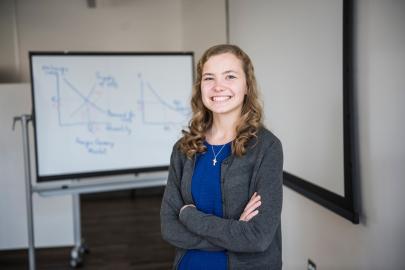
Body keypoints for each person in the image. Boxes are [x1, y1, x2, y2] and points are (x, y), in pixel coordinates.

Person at [160, 44, 283, 270]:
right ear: (201, 87)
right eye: (209, 78)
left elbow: (258, 236)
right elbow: (169, 228)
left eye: (230, 76)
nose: (218, 87)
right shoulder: (184, 148)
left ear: (247, 85)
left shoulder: (267, 147)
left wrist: (189, 216)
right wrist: (235, 233)